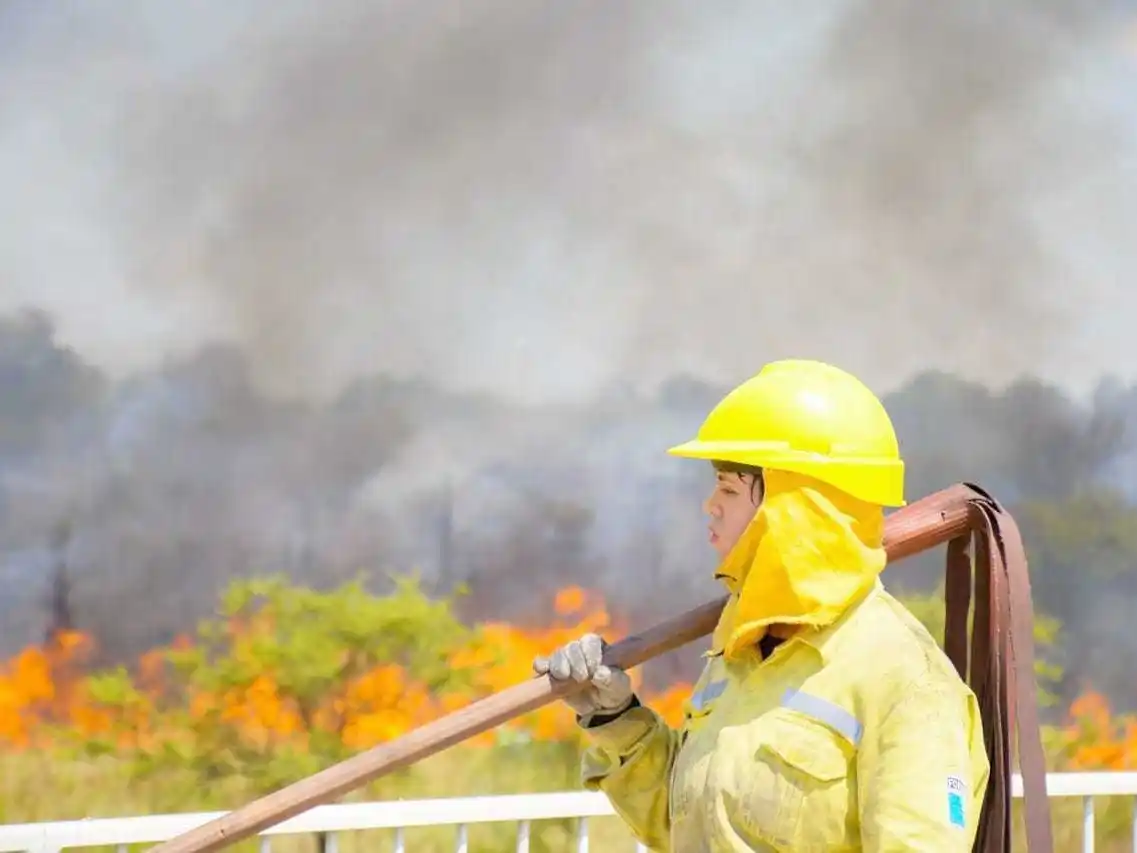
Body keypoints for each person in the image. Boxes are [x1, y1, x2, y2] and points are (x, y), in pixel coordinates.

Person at [533, 359, 989, 852]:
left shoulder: (905, 680)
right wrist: (616, 720)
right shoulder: (739, 652)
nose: (711, 504)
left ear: (796, 509)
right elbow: (691, 824)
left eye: (729, 488)